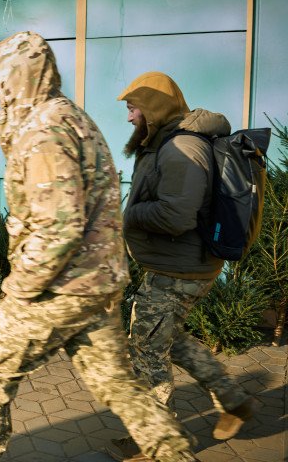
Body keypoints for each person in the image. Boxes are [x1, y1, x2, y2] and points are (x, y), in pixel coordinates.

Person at [0, 32, 197, 462]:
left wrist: (17, 289)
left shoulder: (44, 131)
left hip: (58, 287)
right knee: (118, 385)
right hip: (95, 285)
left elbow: (58, 229)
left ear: (21, 73)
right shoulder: (70, 117)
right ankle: (174, 453)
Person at [107, 71, 258, 459]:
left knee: (146, 351)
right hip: (181, 264)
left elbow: (176, 216)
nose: (129, 117)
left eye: (133, 108)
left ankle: (158, 441)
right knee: (169, 340)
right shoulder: (170, 143)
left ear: (154, 108)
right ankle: (233, 399)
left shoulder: (181, 148)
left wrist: (131, 214)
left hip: (177, 270)